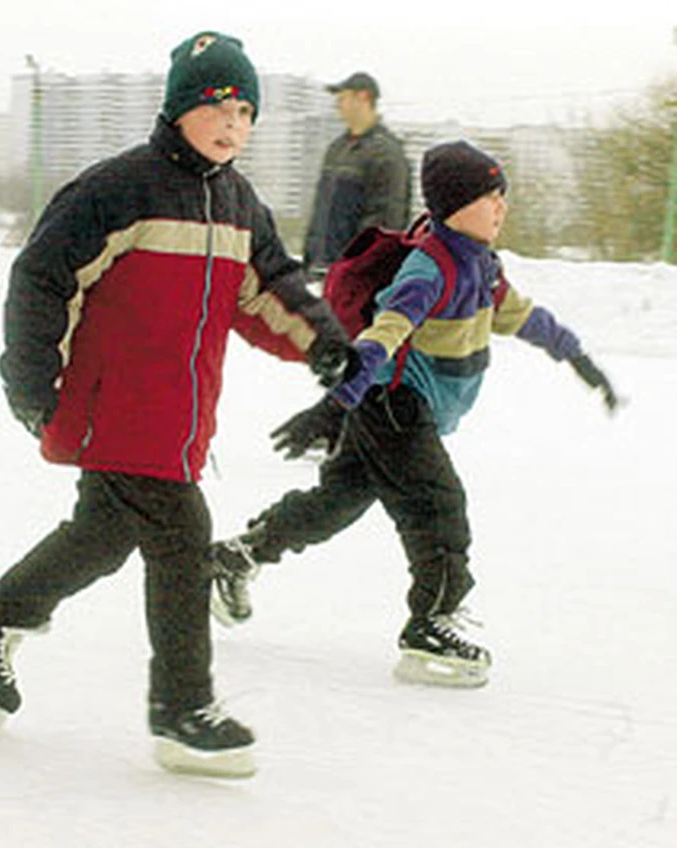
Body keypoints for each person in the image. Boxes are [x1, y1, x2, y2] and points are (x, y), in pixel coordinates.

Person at [0, 31, 351, 779]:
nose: (233, 123)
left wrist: (323, 341)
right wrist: (32, 385)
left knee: (103, 534)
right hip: (112, 405)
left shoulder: (239, 202)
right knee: (184, 537)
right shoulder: (120, 188)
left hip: (178, 416)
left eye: (246, 111)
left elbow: (267, 291)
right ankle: (183, 713)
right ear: (181, 106)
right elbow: (41, 279)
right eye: (218, 104)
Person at [207, 140, 619, 688]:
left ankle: (236, 557)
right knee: (437, 504)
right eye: (490, 196)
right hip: (395, 404)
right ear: (455, 205)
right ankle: (431, 622)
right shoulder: (431, 268)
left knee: (337, 502)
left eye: (503, 196)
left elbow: (525, 317)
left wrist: (579, 358)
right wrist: (338, 401)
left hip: (391, 406)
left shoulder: (483, 267)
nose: (501, 207)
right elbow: (382, 336)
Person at [302, 72, 410, 279]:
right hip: (320, 270)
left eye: (343, 98)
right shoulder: (337, 148)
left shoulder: (386, 153)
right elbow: (321, 211)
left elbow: (387, 220)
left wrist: (357, 269)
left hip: (354, 277)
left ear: (364, 98)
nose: (338, 105)